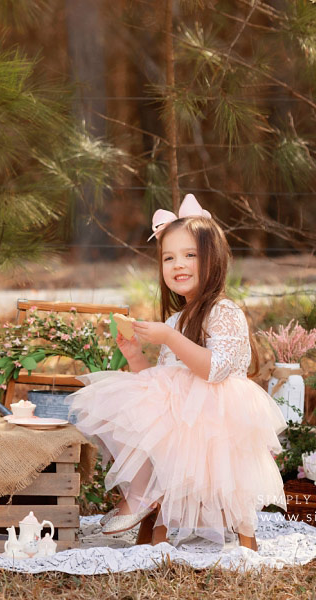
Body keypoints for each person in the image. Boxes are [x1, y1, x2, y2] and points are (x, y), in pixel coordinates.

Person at [68, 194, 286, 551]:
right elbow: (161, 379)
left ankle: (150, 500)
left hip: (218, 417)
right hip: (181, 417)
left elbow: (214, 370)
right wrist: (136, 357)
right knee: (115, 403)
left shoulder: (223, 311)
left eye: (190, 255)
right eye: (169, 257)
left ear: (213, 260)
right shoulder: (175, 318)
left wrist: (170, 335)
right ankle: (143, 493)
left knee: (141, 412)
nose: (178, 265)